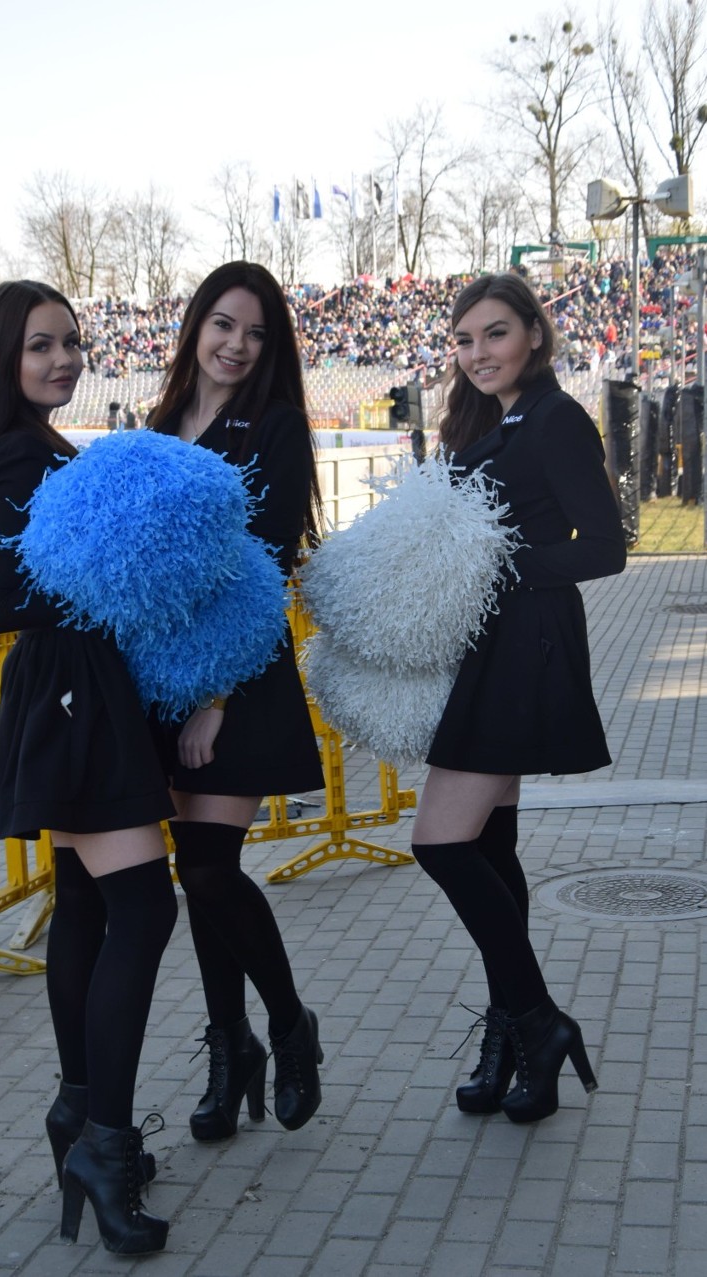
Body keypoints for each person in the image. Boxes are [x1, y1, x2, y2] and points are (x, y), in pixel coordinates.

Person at [0, 280, 175, 1257]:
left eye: (74, 343)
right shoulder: (20, 453)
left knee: (89, 904)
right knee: (144, 905)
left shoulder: (31, 449)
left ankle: (80, 1111)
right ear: (5, 356)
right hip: (70, 694)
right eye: (42, 345)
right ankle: (105, 1142)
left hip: (75, 690)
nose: (64, 359)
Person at [412, 273, 626, 1123]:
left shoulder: (557, 416)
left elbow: (606, 546)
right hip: (488, 648)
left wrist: (502, 568)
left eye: (494, 335)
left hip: (526, 647)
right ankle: (512, 1033)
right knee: (491, 847)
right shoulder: (481, 420)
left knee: (440, 842)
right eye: (464, 341)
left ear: (534, 334)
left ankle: (538, 1019)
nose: (477, 355)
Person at [149, 261, 326, 1143]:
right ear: (195, 326)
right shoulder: (158, 424)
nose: (237, 345)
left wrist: (214, 696)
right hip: (160, 681)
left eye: (256, 333)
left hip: (237, 675)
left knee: (211, 867)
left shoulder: (279, 427)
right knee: (195, 873)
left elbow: (267, 571)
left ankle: (289, 1025)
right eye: (224, 324)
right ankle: (231, 1049)